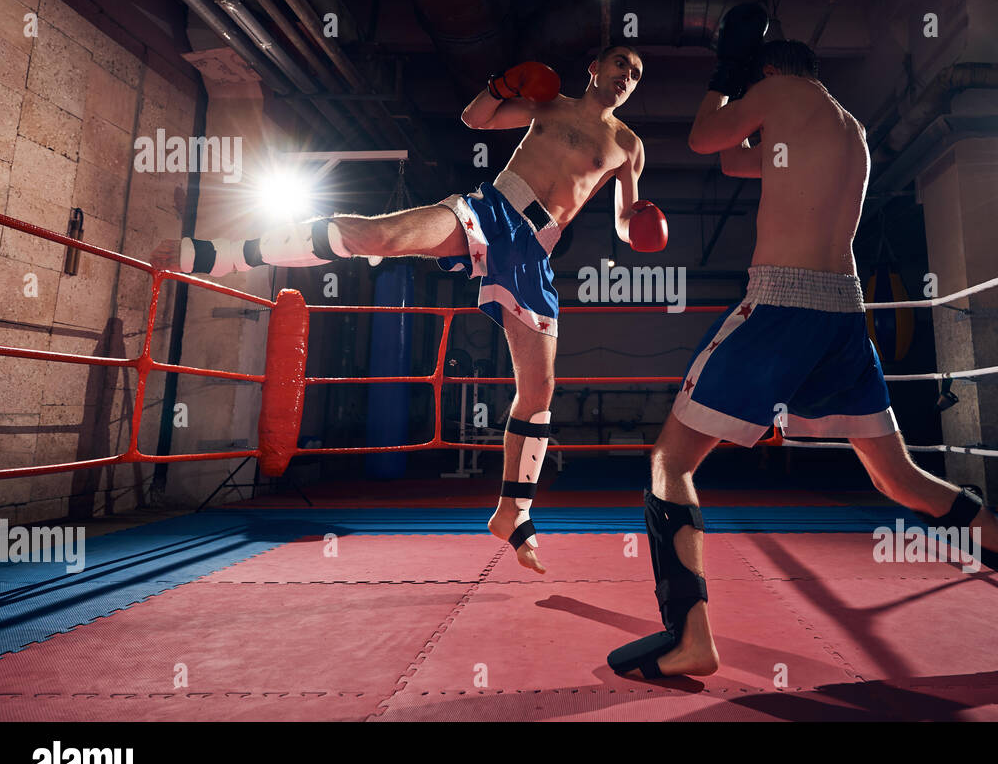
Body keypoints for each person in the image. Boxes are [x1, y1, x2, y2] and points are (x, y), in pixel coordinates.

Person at [607, 7, 998, 678]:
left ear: (769, 73)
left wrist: (725, 71)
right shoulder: (848, 128)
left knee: (671, 460)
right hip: (843, 312)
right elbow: (733, 160)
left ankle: (690, 637)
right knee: (900, 479)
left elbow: (702, 138)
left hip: (782, 303)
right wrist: (741, 94)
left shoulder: (776, 92)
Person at [153, 46, 668, 574]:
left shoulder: (629, 145)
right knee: (379, 233)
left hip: (535, 250)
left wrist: (641, 227)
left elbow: (625, 218)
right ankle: (223, 255)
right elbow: (475, 119)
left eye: (637, 73)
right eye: (622, 64)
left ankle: (514, 512)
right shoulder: (549, 103)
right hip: (491, 211)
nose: (628, 77)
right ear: (595, 68)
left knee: (540, 390)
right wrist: (500, 85)